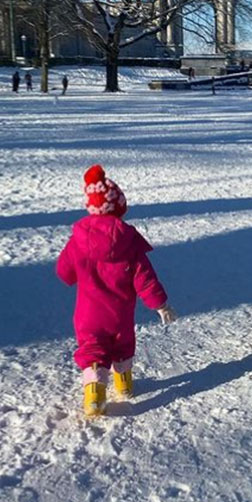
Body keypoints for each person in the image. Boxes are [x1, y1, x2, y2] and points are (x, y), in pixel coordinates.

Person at [56, 165, 177, 418]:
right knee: (122, 345)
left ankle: (94, 395)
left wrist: (76, 270)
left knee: (92, 351)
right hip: (120, 313)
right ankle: (124, 385)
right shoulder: (128, 240)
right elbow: (145, 278)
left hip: (87, 314)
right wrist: (161, 304)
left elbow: (64, 271)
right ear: (119, 208)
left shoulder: (78, 239)